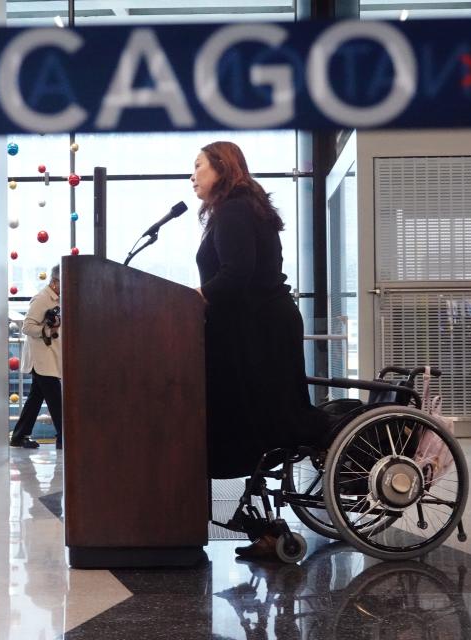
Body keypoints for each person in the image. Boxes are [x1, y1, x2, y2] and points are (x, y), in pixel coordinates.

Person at [192, 141, 332, 558]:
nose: (193, 174)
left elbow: (237, 275)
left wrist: (196, 296)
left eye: (198, 166)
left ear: (222, 167)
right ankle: (267, 530)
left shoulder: (234, 210)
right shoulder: (240, 208)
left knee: (250, 426)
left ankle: (265, 526)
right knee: (247, 428)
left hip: (256, 333)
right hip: (254, 328)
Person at [11, 265, 63, 450]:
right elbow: (26, 327)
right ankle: (63, 437)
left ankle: (19, 436)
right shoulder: (42, 299)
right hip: (42, 359)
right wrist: (47, 330)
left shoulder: (56, 299)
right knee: (56, 400)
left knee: (35, 398)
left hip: (48, 358)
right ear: (55, 282)